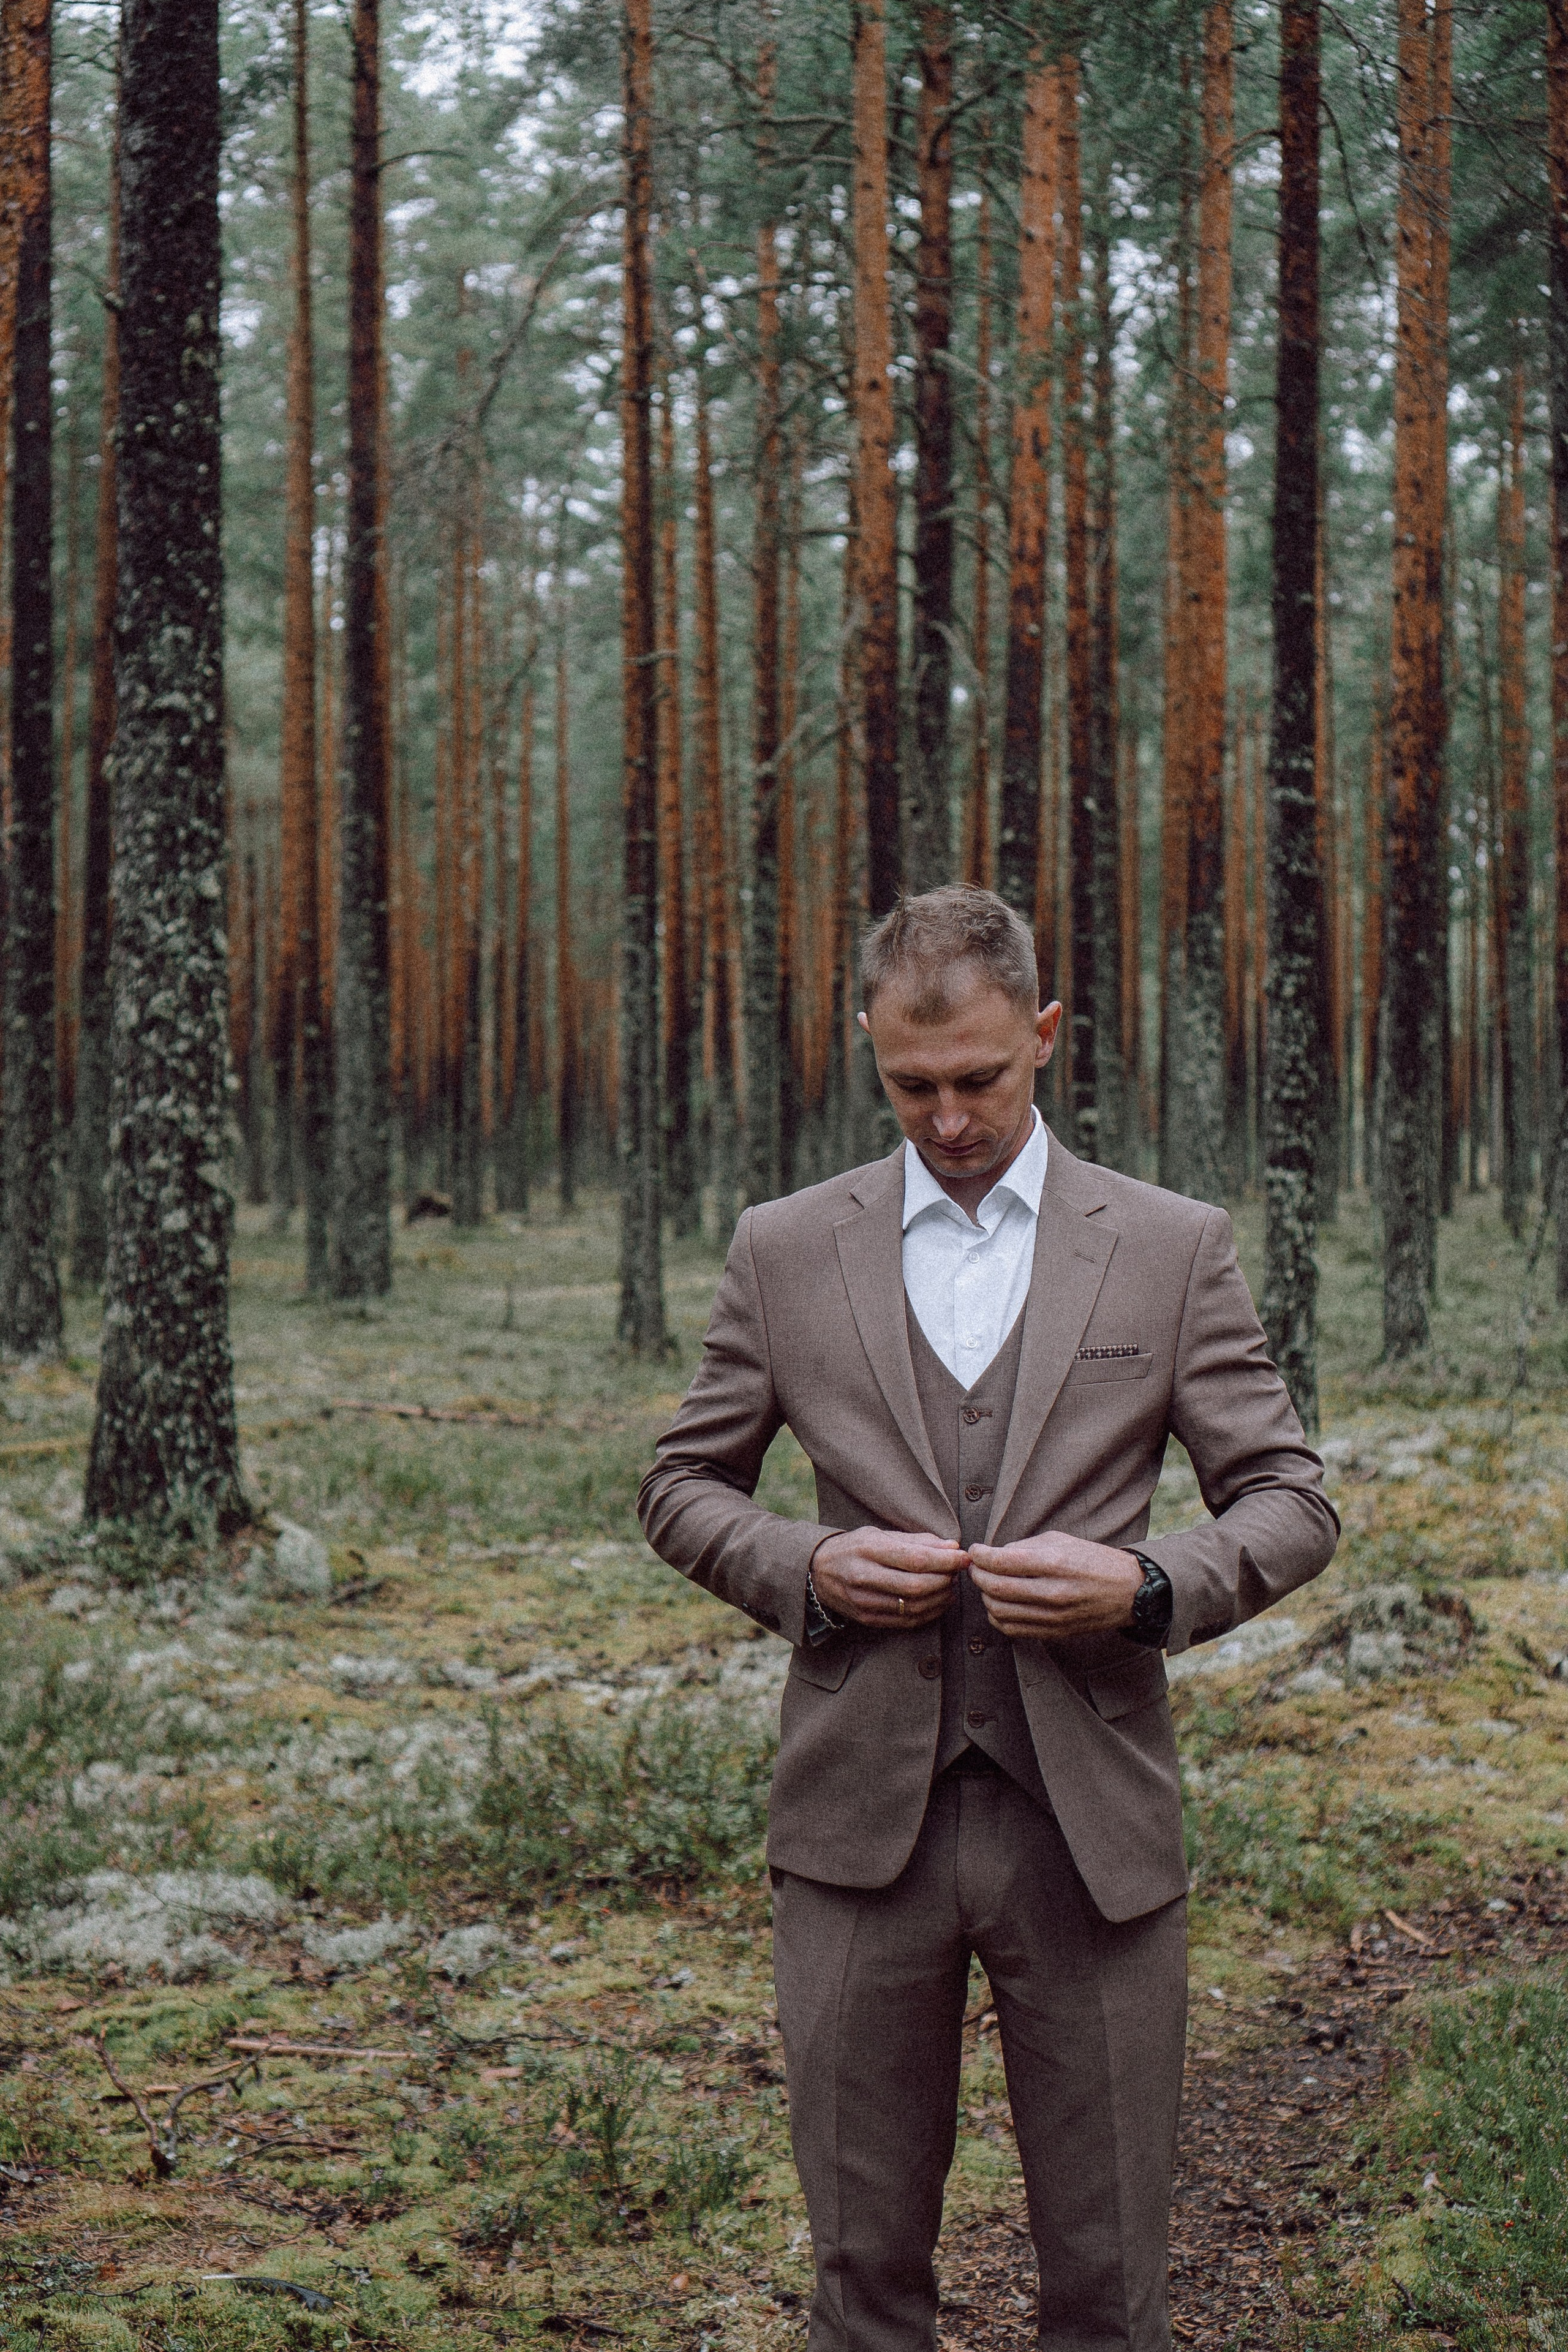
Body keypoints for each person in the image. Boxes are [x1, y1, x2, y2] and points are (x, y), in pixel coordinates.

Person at [637, 883, 1338, 2352]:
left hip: (1088, 1828)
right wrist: (802, 1569)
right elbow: (683, 1486)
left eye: (978, 1080)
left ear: (1044, 1037)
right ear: (868, 1050)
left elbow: (1286, 1496)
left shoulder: (1167, 1245)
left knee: (1106, 2282)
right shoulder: (782, 1246)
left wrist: (1148, 1586)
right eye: (910, 1086)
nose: (946, 1119)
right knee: (861, 2279)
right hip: (852, 1830)